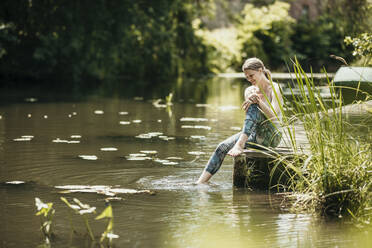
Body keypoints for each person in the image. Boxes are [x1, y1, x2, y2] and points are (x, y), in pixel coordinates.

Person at [196, 57, 283, 184]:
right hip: (254, 135)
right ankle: (200, 183)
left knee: (254, 105)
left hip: (271, 136)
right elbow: (252, 118)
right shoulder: (249, 90)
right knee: (222, 147)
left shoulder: (274, 88)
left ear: (260, 70)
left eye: (252, 75)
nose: (250, 79)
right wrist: (254, 99)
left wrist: (259, 102)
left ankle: (240, 144)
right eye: (247, 77)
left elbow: (274, 117)